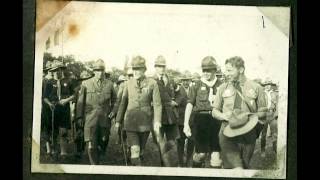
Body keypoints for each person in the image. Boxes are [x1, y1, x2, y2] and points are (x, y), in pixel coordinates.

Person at [212, 56, 267, 169]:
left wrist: (248, 117)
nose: (226, 73)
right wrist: (223, 115)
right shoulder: (222, 88)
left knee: (245, 166)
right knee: (233, 167)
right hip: (227, 131)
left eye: (229, 70)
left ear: (241, 70)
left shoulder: (257, 88)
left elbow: (263, 112)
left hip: (248, 133)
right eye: (226, 70)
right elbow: (214, 111)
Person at [115, 56, 162, 166]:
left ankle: (134, 163)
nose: (135, 72)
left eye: (138, 69)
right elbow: (123, 103)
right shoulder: (128, 83)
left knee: (140, 151)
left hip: (145, 123)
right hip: (130, 122)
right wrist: (118, 120)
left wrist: (157, 121)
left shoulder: (152, 83)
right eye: (134, 69)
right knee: (135, 150)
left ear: (144, 70)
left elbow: (157, 104)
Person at [183, 56, 223, 168]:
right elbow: (189, 104)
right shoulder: (196, 85)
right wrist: (186, 124)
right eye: (204, 70)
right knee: (201, 154)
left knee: (216, 157)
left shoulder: (221, 85)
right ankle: (196, 171)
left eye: (209, 70)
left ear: (215, 70)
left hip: (216, 121)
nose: (206, 73)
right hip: (200, 122)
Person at [81, 59, 117, 164]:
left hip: (104, 119)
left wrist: (114, 111)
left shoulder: (110, 84)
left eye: (102, 70)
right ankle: (94, 166)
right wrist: (79, 117)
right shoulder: (86, 83)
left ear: (104, 70)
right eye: (97, 70)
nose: (100, 72)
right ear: (94, 71)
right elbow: (80, 102)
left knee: (104, 141)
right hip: (90, 119)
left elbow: (116, 101)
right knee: (91, 145)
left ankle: (100, 155)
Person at [43, 60, 77, 159]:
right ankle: (53, 151)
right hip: (53, 110)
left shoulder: (68, 81)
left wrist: (66, 100)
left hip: (64, 109)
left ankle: (63, 153)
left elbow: (74, 95)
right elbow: (45, 97)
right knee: (53, 131)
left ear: (62, 70)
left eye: (58, 70)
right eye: (54, 70)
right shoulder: (49, 82)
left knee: (63, 131)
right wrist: (49, 104)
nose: (56, 72)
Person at [153, 55, 180, 167]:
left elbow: (180, 93)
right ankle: (163, 166)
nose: (162, 69)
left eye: (163, 66)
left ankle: (172, 166)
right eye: (159, 66)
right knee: (159, 143)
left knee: (172, 142)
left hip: (171, 117)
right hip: (158, 116)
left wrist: (176, 102)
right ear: (155, 67)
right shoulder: (151, 80)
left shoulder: (170, 79)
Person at [174, 74, 194, 167]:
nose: (186, 82)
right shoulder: (177, 90)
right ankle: (180, 163)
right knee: (180, 143)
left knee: (191, 142)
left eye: (187, 80)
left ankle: (189, 162)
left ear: (190, 80)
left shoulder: (193, 89)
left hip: (192, 121)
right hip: (181, 121)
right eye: (184, 80)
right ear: (181, 81)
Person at [260, 79, 279, 157]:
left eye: (269, 84)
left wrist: (276, 114)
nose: (268, 86)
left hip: (272, 114)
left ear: (271, 85)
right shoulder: (261, 94)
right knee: (263, 134)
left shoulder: (275, 94)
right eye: (266, 84)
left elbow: (278, 104)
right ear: (264, 86)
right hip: (264, 115)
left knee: (274, 134)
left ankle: (275, 150)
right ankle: (263, 151)